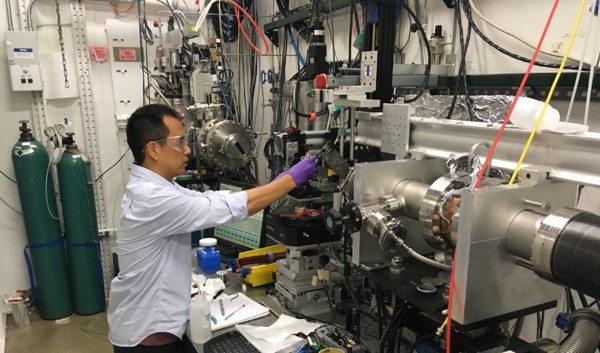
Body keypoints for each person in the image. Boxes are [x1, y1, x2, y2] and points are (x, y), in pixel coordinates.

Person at [107, 104, 317, 352]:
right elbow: (227, 208)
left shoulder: (160, 187)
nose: (186, 150)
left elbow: (209, 201)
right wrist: (290, 180)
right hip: (148, 339)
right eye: (180, 142)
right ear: (153, 149)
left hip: (156, 328)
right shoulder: (152, 198)